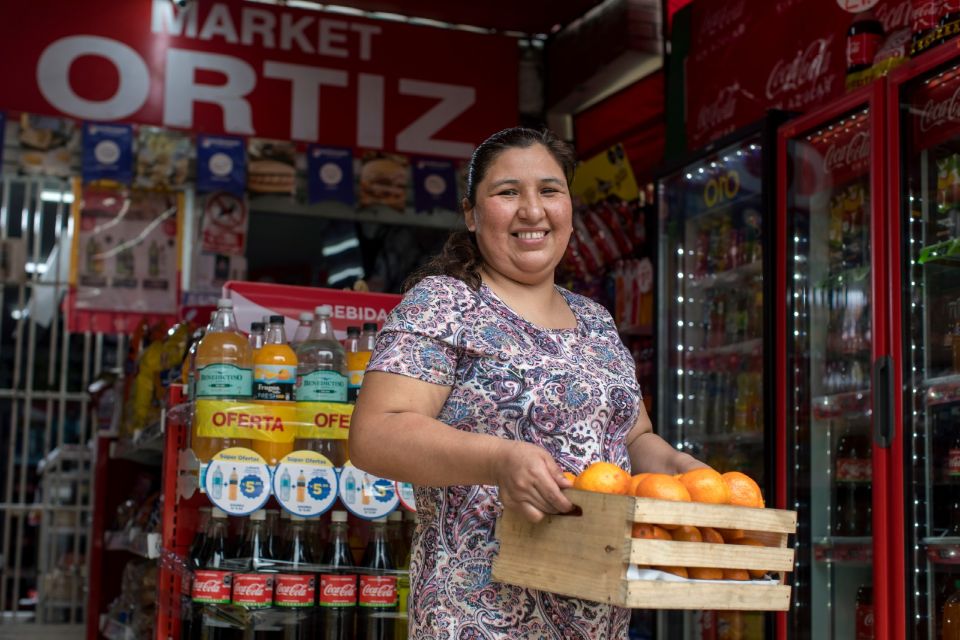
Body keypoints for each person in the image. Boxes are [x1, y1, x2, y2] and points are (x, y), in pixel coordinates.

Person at [349, 127, 707, 639]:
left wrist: (681, 469)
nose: (532, 210)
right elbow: (374, 435)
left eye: (549, 190)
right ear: (472, 214)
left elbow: (632, 439)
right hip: (477, 616)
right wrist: (500, 460)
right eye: (507, 192)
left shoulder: (596, 321)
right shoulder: (445, 303)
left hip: (597, 618)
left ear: (569, 207)